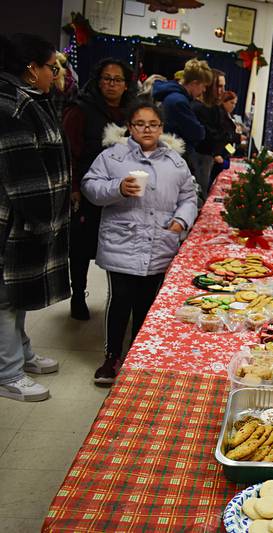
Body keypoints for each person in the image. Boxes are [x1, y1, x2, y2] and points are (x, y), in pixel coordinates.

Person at [82, 101, 198, 385]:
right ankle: (111, 357)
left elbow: (189, 195)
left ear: (161, 128)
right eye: (140, 124)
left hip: (160, 242)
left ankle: (138, 356)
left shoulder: (175, 161)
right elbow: (90, 186)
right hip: (122, 242)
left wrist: (181, 220)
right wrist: (118, 188)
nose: (147, 129)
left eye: (153, 124)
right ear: (130, 127)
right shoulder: (113, 156)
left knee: (147, 304)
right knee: (120, 300)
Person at [0, 34, 69, 402]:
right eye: (50, 68)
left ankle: (21, 354)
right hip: (13, 221)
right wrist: (42, 219)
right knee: (6, 299)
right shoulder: (10, 105)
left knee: (19, 294)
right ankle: (7, 372)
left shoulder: (28, 99)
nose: (53, 75)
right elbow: (22, 174)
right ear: (31, 69)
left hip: (25, 221)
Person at [62, 58, 136, 320]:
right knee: (82, 247)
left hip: (123, 191)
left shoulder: (133, 111)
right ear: (98, 80)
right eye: (107, 78)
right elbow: (68, 153)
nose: (112, 84)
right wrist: (73, 187)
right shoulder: (80, 109)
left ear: (126, 85)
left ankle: (118, 299)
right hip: (88, 189)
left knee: (119, 246)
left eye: (117, 80)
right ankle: (78, 295)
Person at [152, 58, 212, 174]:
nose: (204, 90)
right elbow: (198, 133)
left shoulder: (173, 96)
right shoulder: (179, 101)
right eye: (203, 85)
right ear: (194, 83)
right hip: (174, 158)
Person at [191, 68, 226, 195]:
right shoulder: (198, 107)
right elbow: (209, 135)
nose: (222, 90)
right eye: (219, 86)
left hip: (208, 156)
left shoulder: (215, 107)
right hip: (199, 156)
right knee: (200, 194)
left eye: (223, 86)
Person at [209, 90, 241, 183]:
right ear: (224, 101)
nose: (233, 106)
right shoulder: (220, 114)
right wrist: (216, 154)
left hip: (225, 150)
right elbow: (219, 135)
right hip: (218, 153)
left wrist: (232, 151)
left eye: (235, 104)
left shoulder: (228, 114)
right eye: (231, 103)